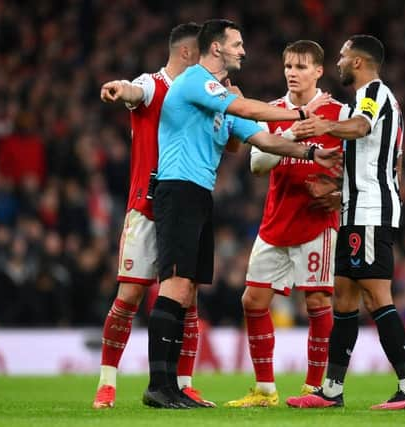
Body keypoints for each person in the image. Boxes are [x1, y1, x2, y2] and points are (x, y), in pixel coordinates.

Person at [144, 19, 341, 409]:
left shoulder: (219, 95)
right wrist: (302, 115)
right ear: (215, 48)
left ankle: (172, 386)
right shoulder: (196, 79)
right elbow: (248, 108)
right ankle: (159, 385)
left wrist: (311, 153)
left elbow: (261, 139)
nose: (243, 51)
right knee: (174, 286)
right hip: (177, 189)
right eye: (236, 43)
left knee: (186, 291)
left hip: (199, 194)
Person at [286, 35, 405, 410]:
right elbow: (362, 152)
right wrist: (334, 184)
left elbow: (362, 128)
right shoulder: (359, 101)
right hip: (353, 211)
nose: (339, 61)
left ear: (360, 62)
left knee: (376, 296)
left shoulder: (374, 94)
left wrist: (320, 126)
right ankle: (331, 390)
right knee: (345, 298)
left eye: (343, 56)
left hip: (371, 212)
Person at [92, 23, 214, 409]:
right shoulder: (153, 84)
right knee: (129, 296)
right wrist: (120, 87)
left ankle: (183, 382)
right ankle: (107, 382)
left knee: (187, 298)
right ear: (188, 54)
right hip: (146, 207)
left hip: (184, 205)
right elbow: (135, 90)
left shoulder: (203, 94)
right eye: (207, 52)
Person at [224, 40, 342, 408]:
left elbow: (355, 166)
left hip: (317, 221)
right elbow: (257, 165)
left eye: (301, 66)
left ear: (319, 71)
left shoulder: (339, 113)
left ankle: (313, 388)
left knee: (318, 300)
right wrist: (293, 131)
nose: (292, 72)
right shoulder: (271, 111)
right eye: (288, 65)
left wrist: (340, 194)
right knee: (253, 301)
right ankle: (265, 389)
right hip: (276, 221)